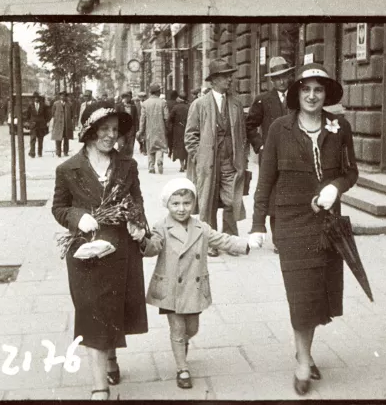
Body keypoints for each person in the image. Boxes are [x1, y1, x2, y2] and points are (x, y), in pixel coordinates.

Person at [247, 64, 357, 391]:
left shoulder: (340, 127)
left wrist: (336, 187)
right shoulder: (280, 128)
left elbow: (351, 172)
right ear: (297, 93)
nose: (312, 95)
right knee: (301, 293)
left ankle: (304, 353)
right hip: (290, 223)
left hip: (326, 224)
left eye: (318, 90)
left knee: (317, 293)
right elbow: (266, 179)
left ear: (326, 95)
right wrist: (257, 223)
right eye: (306, 89)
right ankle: (303, 362)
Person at [52, 99, 148, 400]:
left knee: (114, 309)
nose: (110, 135)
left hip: (120, 250)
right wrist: (78, 217)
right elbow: (59, 208)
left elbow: (137, 201)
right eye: (104, 129)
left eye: (115, 130)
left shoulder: (127, 165)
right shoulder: (68, 168)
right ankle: (99, 387)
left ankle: (111, 357)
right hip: (85, 252)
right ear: (90, 131)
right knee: (92, 311)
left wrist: (138, 222)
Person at [141, 177, 250, 389]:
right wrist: (141, 239)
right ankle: (182, 368)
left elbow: (222, 239)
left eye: (186, 203)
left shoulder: (201, 227)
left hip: (194, 288)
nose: (181, 209)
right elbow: (152, 247)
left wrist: (246, 244)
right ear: (167, 204)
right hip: (170, 288)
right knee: (177, 329)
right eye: (176, 204)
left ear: (194, 204)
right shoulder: (161, 227)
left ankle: (183, 342)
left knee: (192, 327)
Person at [184, 59, 247, 250]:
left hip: (230, 162)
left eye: (230, 75)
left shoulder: (236, 103)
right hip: (208, 164)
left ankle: (230, 242)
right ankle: (210, 243)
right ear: (214, 80)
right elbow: (190, 135)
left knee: (231, 201)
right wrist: (198, 156)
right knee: (208, 203)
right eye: (225, 76)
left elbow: (242, 134)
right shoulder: (199, 104)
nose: (230, 79)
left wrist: (241, 157)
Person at [245, 55, 294, 247]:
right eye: (277, 78)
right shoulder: (263, 100)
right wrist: (260, 145)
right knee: (273, 196)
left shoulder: (298, 97)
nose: (281, 81)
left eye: (284, 76)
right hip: (271, 158)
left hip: (295, 155)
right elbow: (249, 125)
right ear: (272, 80)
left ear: (289, 76)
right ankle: (278, 240)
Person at [138, 84, 169, 173]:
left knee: (150, 147)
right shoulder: (163, 102)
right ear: (157, 92)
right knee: (160, 147)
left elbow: (142, 119)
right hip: (161, 128)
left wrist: (141, 131)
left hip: (149, 129)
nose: (160, 92)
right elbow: (166, 117)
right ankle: (159, 160)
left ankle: (151, 166)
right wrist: (167, 128)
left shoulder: (145, 103)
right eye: (159, 91)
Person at [168, 93, 189, 171]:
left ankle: (182, 166)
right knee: (187, 146)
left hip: (178, 130)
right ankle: (187, 164)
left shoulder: (175, 107)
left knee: (180, 148)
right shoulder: (189, 106)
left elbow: (170, 119)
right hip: (187, 129)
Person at [26, 92, 50, 157]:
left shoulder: (43, 105)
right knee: (33, 139)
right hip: (33, 125)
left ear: (39, 98)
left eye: (37, 98)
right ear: (33, 98)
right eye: (35, 98)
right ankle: (32, 153)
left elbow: (47, 115)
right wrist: (30, 122)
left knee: (40, 139)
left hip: (41, 125)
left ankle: (40, 153)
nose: (36, 99)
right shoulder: (30, 105)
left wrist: (46, 122)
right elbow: (27, 115)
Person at [50, 91, 74, 157]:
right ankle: (58, 152)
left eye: (64, 96)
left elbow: (72, 114)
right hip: (58, 124)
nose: (63, 97)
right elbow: (52, 113)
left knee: (66, 138)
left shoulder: (69, 104)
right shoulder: (56, 104)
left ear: (66, 97)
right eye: (61, 96)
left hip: (66, 124)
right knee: (58, 139)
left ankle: (66, 152)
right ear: (59, 96)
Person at [118, 90, 139, 158]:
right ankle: (121, 161)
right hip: (122, 129)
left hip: (131, 129)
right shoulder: (119, 106)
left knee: (130, 146)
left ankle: (129, 161)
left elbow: (136, 119)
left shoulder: (133, 107)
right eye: (125, 97)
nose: (127, 98)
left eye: (128, 97)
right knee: (121, 146)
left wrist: (137, 129)